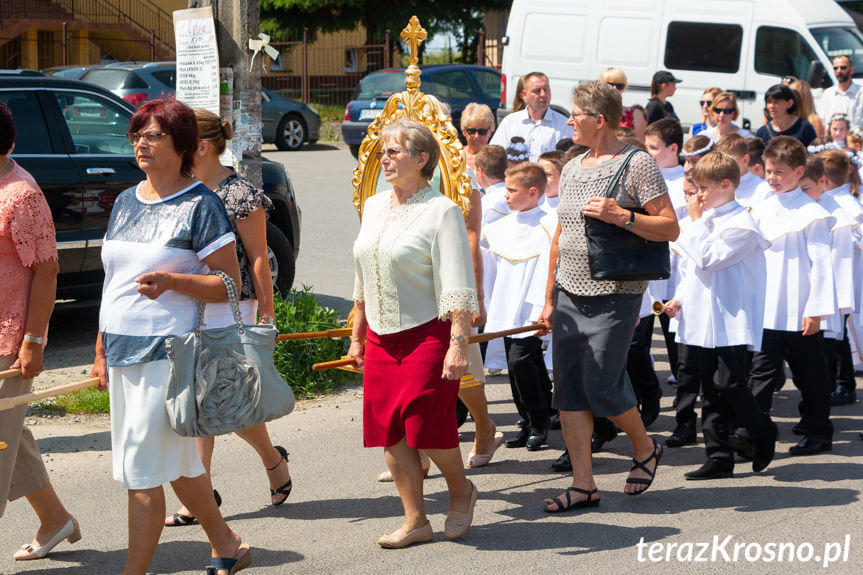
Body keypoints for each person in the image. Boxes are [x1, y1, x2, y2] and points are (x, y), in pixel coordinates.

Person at [90, 98, 250, 574]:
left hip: (168, 355)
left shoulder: (201, 204)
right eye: (137, 133)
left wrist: (175, 281)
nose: (141, 141)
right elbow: (112, 282)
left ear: (182, 145)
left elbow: (229, 286)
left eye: (154, 134)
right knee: (180, 464)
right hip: (122, 352)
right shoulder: (124, 201)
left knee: (141, 475)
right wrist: (100, 348)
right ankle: (227, 541)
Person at [536, 80, 679, 512]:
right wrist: (547, 298)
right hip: (568, 291)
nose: (569, 120)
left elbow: (670, 226)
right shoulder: (574, 162)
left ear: (599, 120)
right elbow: (560, 236)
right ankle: (583, 484)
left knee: (600, 381)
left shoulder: (637, 164)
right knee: (569, 390)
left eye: (575, 113)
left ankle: (644, 447)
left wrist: (623, 216)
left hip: (617, 290)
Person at [347, 119, 479, 548]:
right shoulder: (373, 205)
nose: (384, 159)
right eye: (382, 151)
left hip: (429, 334)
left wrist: (458, 344)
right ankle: (415, 520)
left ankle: (460, 491)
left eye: (394, 152)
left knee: (425, 427)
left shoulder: (443, 210)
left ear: (422, 160)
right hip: (382, 337)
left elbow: (458, 282)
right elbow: (363, 276)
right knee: (390, 430)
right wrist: (357, 336)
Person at [164, 108, 292, 528]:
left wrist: (268, 314)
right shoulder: (179, 189)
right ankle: (271, 461)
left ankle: (199, 496)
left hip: (230, 306)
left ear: (199, 146)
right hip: (188, 304)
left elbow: (258, 256)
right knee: (210, 401)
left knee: (214, 399)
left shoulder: (239, 192)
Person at [664, 151, 777, 479]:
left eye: (703, 188)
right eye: (695, 188)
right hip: (701, 314)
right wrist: (679, 298)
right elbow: (691, 271)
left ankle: (762, 429)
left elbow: (710, 259)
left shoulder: (743, 224)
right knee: (709, 388)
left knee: (729, 384)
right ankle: (718, 455)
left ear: (725, 185)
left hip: (731, 316)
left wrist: (697, 222)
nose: (697, 195)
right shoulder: (702, 220)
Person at [0, 102, 80, 562]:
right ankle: (56, 520)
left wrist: (32, 342)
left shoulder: (22, 195)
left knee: (0, 443)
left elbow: (48, 271)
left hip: (8, 342)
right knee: (10, 434)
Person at [748, 136, 836, 456]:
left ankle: (818, 431)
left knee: (810, 376)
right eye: (769, 171)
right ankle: (752, 432)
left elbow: (822, 265)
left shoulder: (812, 213)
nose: (772, 178)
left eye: (780, 172)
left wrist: (816, 310)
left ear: (800, 172)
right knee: (761, 372)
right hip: (767, 307)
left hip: (800, 308)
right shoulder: (761, 206)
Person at [799, 155, 857, 409]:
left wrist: (840, 303)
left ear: (822, 181)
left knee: (834, 343)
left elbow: (842, 261)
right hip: (811, 290)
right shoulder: (807, 206)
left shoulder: (838, 214)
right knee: (821, 350)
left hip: (832, 291)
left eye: (804, 189)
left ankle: (844, 385)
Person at [817, 150, 863, 406]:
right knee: (834, 335)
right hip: (836, 277)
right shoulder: (831, 199)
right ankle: (840, 382)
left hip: (844, 277)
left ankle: (845, 383)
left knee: (839, 335)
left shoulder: (847, 206)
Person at [490, 71, 573, 161]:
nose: (543, 94)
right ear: (524, 95)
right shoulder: (510, 122)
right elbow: (494, 154)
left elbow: (569, 160)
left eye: (546, 89)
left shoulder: (563, 125)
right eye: (537, 91)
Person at [713, 134, 770, 208]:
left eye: (728, 161)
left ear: (745, 159)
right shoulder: (713, 186)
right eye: (718, 161)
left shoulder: (763, 189)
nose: (722, 166)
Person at [599, 68, 647, 140]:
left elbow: (641, 145)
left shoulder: (635, 114)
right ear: (601, 85)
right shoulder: (592, 113)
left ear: (624, 88)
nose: (615, 88)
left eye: (619, 86)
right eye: (610, 84)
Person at [820, 55, 859, 128]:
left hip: (855, 138)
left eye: (843, 67)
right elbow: (822, 122)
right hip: (832, 138)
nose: (839, 70)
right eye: (835, 68)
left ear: (852, 70)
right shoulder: (827, 94)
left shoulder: (861, 93)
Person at [460, 102, 495, 174]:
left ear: (490, 132)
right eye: (472, 131)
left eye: (482, 131)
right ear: (464, 131)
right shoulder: (456, 156)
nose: (476, 136)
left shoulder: (495, 160)